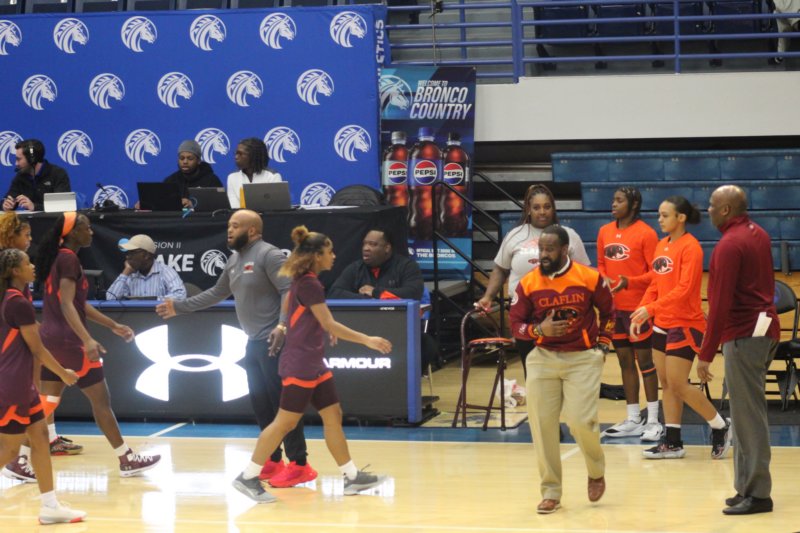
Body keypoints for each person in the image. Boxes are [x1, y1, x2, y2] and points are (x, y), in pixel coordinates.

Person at [231, 225, 391, 503]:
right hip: (301, 364)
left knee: (333, 415)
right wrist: (367, 340)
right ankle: (248, 476)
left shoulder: (303, 281)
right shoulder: (309, 283)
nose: (334, 256)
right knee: (284, 423)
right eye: (330, 251)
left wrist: (314, 327)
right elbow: (329, 322)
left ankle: (352, 476)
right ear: (316, 255)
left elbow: (299, 312)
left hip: (314, 363)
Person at [156, 210, 315, 488]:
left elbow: (290, 290)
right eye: (229, 225)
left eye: (235, 226)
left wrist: (282, 326)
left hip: (276, 341)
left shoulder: (269, 254)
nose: (229, 230)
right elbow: (217, 293)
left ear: (252, 230)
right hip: (253, 342)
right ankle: (273, 459)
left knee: (283, 407)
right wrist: (180, 307)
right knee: (262, 404)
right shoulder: (233, 260)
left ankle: (300, 464)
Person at [34, 212, 161, 477]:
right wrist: (87, 339)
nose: (91, 232)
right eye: (87, 228)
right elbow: (67, 304)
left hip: (50, 338)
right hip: (69, 342)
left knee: (48, 401)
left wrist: (112, 325)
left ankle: (20, 457)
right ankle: (126, 458)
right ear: (73, 232)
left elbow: (78, 304)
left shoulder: (58, 257)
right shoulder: (69, 259)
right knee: (101, 402)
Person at [509, 225, 614, 514]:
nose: (543, 254)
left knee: (580, 421)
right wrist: (538, 330)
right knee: (542, 426)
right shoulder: (528, 283)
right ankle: (551, 492)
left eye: (550, 249)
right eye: (541, 249)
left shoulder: (589, 277)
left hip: (582, 358)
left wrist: (603, 345)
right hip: (543, 357)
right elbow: (515, 325)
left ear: (565, 250)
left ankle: (596, 471)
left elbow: (609, 312)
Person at [630, 196, 732, 461]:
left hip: (685, 323)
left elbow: (684, 289)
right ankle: (673, 441)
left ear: (681, 218)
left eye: (665, 215)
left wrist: (650, 309)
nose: (660, 220)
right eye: (659, 215)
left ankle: (720, 425)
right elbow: (655, 284)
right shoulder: (661, 245)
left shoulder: (691, 247)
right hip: (662, 323)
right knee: (667, 384)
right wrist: (641, 311)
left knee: (678, 383)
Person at [698, 185, 780, 515]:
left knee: (749, 417)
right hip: (764, 330)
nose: (707, 210)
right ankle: (745, 486)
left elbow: (719, 305)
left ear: (726, 210)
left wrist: (706, 353)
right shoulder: (758, 233)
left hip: (744, 334)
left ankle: (758, 494)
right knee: (746, 413)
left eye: (712, 205)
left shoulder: (729, 245)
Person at [0, 248, 87, 524]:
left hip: (23, 384)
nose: (33, 266)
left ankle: (50, 506)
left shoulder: (13, 298)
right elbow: (37, 349)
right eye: (28, 263)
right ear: (15, 271)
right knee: (10, 450)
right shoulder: (17, 303)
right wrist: (63, 373)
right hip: (11, 385)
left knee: (39, 438)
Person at [476, 184, 591, 375]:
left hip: (559, 309)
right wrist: (488, 297)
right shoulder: (515, 235)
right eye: (536, 207)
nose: (542, 212)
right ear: (528, 210)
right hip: (524, 311)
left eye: (547, 206)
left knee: (561, 369)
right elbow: (500, 270)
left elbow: (585, 273)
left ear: (553, 208)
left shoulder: (569, 235)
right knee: (531, 369)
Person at [596, 187, 662, 441]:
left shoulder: (646, 233)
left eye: (619, 200)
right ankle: (634, 418)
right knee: (624, 362)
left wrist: (630, 282)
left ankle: (653, 420)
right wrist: (603, 277)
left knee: (645, 362)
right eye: (613, 200)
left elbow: (656, 273)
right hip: (614, 310)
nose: (613, 204)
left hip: (639, 309)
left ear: (633, 205)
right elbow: (601, 263)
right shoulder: (604, 231)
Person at [328, 227, 433, 370]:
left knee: (426, 344)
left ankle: (407, 381)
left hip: (398, 329)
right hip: (361, 329)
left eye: (373, 244)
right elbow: (334, 293)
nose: (366, 248)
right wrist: (367, 301)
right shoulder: (355, 268)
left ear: (387, 248)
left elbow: (412, 293)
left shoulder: (406, 266)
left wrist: (376, 292)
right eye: (365, 244)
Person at [106, 234, 186, 301]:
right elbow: (110, 299)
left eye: (132, 252)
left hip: (159, 315)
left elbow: (180, 296)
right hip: (134, 315)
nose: (128, 256)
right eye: (127, 253)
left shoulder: (165, 271)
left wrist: (153, 300)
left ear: (146, 255)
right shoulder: (129, 275)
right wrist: (125, 272)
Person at [3, 139, 71, 212]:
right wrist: (5, 205)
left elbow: (62, 205)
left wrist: (34, 207)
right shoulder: (20, 176)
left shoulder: (58, 174)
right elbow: (9, 198)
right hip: (29, 219)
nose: (16, 163)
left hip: (55, 219)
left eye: (18, 159)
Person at [163, 140, 223, 209]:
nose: (185, 162)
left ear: (198, 161)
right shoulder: (170, 181)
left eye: (190, 158)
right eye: (181, 158)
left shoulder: (212, 181)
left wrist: (194, 205)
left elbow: (220, 207)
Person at [226, 138, 282, 209]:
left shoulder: (272, 176)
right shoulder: (232, 177)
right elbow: (234, 207)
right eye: (236, 153)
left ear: (254, 156)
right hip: (241, 215)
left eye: (240, 154)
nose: (236, 157)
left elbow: (276, 207)